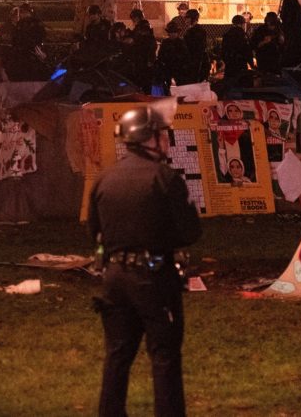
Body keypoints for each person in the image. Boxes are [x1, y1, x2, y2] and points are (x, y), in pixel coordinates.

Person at [87, 105, 201, 417]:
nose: (167, 140)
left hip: (113, 278)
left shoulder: (104, 179)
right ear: (149, 138)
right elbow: (190, 231)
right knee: (164, 357)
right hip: (154, 278)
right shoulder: (165, 178)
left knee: (117, 355)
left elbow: (94, 230)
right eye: (163, 134)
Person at [154, 22, 192, 89]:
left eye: (174, 32)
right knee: (165, 84)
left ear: (177, 33)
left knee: (181, 84)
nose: (172, 34)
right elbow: (161, 55)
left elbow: (186, 55)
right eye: (171, 32)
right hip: (167, 66)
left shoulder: (181, 42)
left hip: (178, 67)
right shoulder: (166, 42)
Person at [221, 15, 254, 82]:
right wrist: (251, 63)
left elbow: (223, 50)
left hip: (229, 64)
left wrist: (226, 60)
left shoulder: (227, 34)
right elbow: (246, 50)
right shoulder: (242, 34)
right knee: (242, 83)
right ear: (242, 24)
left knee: (229, 83)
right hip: (240, 64)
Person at [182, 9, 210, 82]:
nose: (186, 20)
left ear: (193, 19)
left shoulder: (195, 31)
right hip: (196, 61)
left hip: (195, 62)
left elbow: (197, 48)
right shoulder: (196, 30)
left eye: (188, 18)